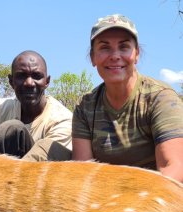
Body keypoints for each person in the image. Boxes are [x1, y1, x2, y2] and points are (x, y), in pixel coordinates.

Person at [72, 14, 183, 183]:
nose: (115, 55)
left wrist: (135, 203)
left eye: (124, 47)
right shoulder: (84, 107)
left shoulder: (161, 98)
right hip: (103, 198)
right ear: (93, 57)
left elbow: (174, 169)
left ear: (136, 54)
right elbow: (84, 174)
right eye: (104, 48)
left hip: (153, 199)